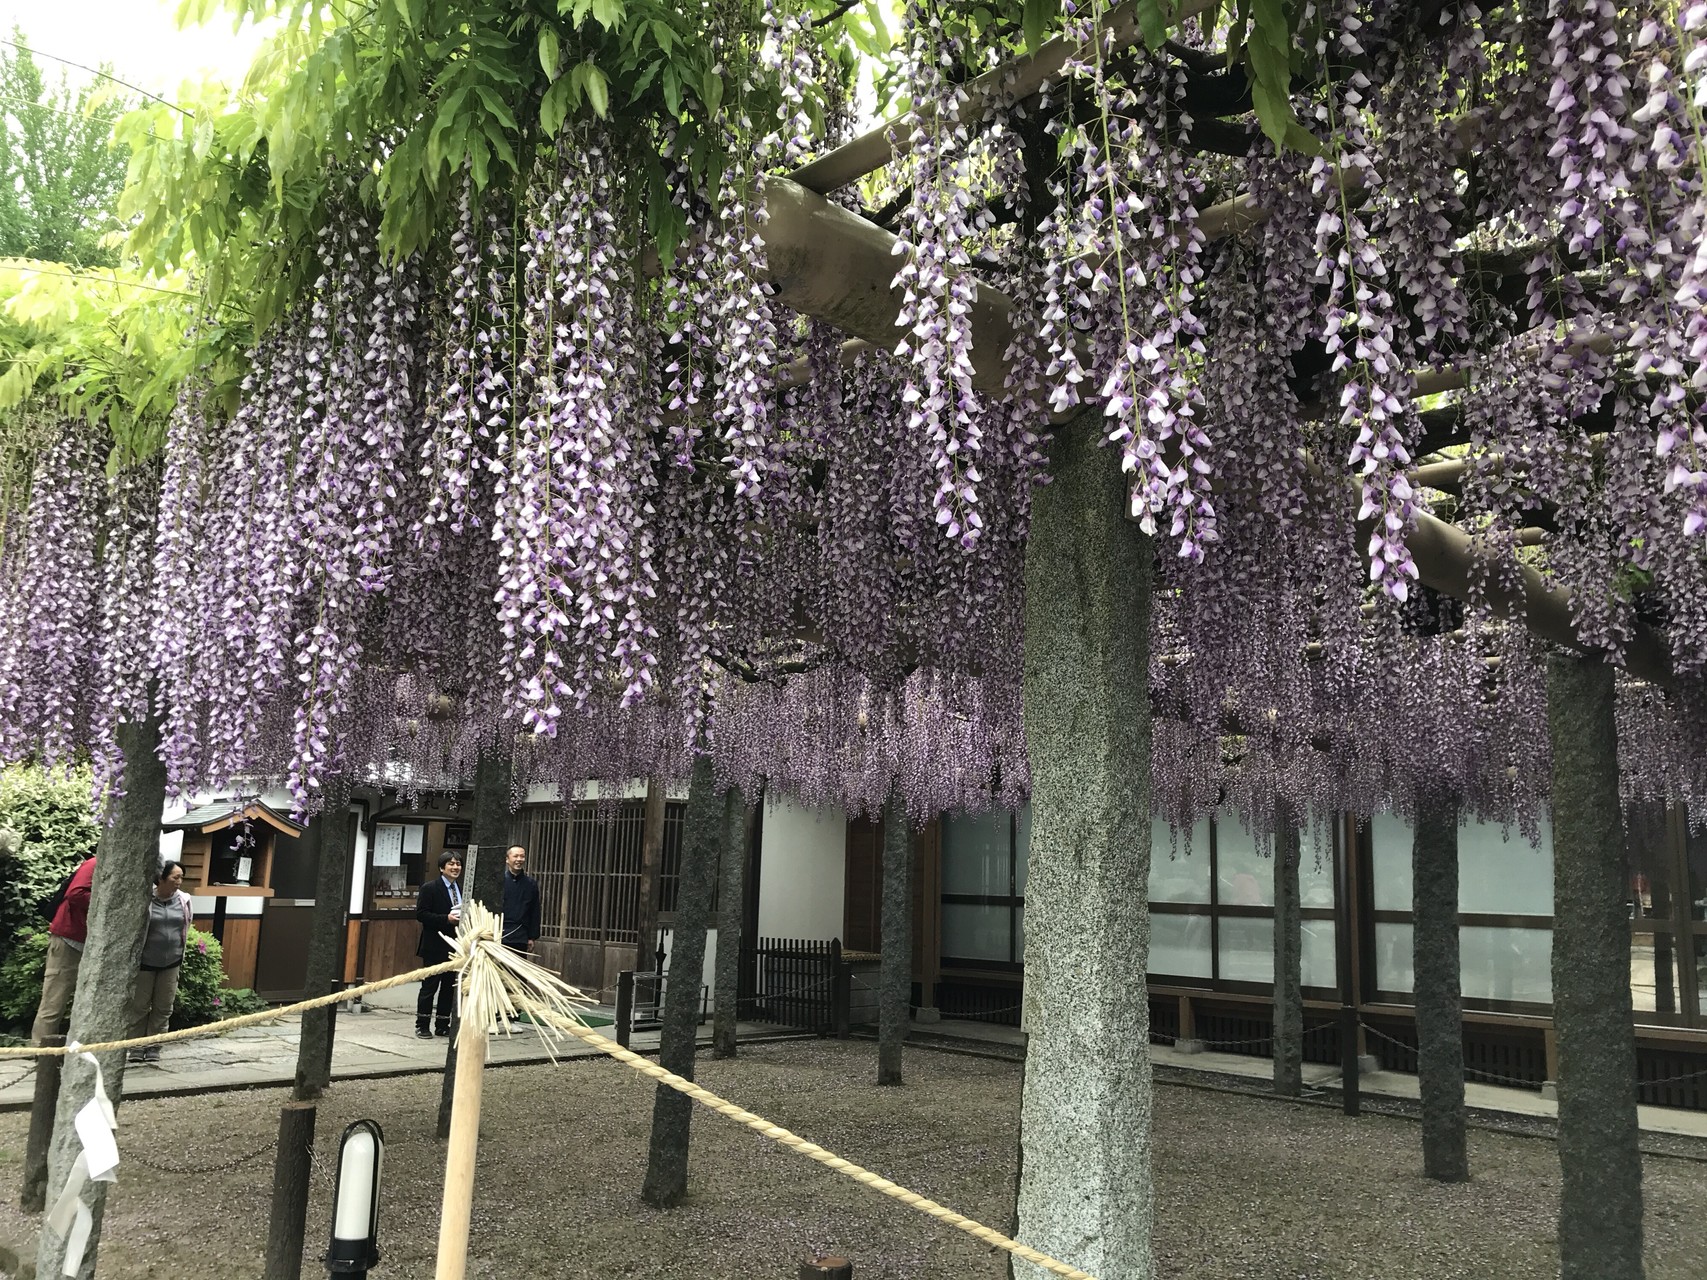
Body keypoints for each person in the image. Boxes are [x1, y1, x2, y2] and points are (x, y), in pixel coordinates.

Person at [128, 860, 193, 1065]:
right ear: (161, 878)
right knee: (139, 1006)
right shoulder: (145, 900)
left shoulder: (184, 900)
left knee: (164, 1007)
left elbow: (186, 925)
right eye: (175, 877)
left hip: (171, 962)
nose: (179, 881)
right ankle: (137, 1046)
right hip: (145, 963)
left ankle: (155, 1045)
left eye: (181, 877)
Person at [31, 853, 96, 1044]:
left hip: (86, 943)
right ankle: (41, 1053)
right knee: (54, 1001)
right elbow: (75, 893)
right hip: (68, 939)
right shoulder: (94, 863)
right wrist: (108, 899)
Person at [415, 852, 463, 1038]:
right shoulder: (430, 888)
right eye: (451, 864)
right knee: (429, 987)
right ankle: (422, 1025)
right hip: (434, 944)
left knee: (448, 988)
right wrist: (446, 919)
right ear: (442, 867)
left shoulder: (461, 889)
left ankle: (443, 1024)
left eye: (458, 864)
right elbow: (422, 914)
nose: (455, 867)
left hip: (456, 945)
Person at [501, 844, 541, 955]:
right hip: (499, 935)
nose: (519, 859)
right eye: (515, 856)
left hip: (520, 936)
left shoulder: (531, 884)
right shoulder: (499, 882)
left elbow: (534, 912)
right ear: (507, 859)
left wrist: (532, 937)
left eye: (522, 856)